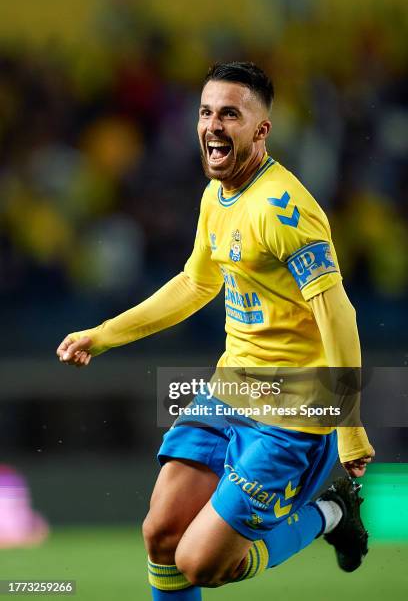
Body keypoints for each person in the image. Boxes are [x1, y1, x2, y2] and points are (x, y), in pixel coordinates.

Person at [57, 62, 374, 600]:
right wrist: (104, 334)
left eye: (230, 113)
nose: (213, 125)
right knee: (161, 536)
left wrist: (347, 422)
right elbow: (194, 284)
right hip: (230, 391)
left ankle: (331, 513)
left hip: (293, 410)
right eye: (206, 112)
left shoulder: (285, 210)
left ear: (261, 130)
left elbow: (336, 311)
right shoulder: (217, 195)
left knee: (202, 564)